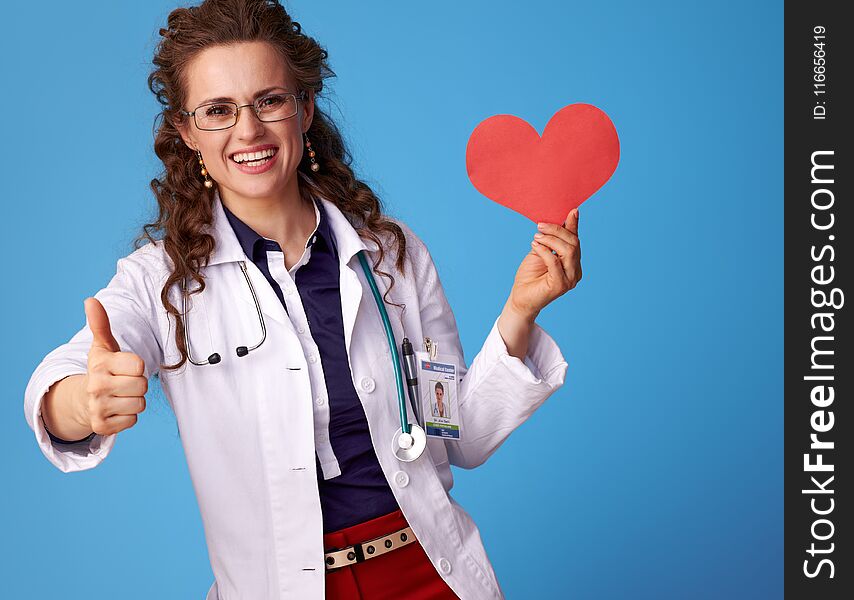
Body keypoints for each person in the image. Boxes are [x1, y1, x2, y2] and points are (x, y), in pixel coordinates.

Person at [23, 1, 581, 598]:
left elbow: (458, 435)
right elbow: (64, 377)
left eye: (269, 101)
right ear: (187, 132)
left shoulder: (389, 254)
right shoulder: (163, 281)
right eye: (217, 111)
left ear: (304, 109)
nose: (248, 131)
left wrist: (520, 312)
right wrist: (84, 401)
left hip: (427, 573)